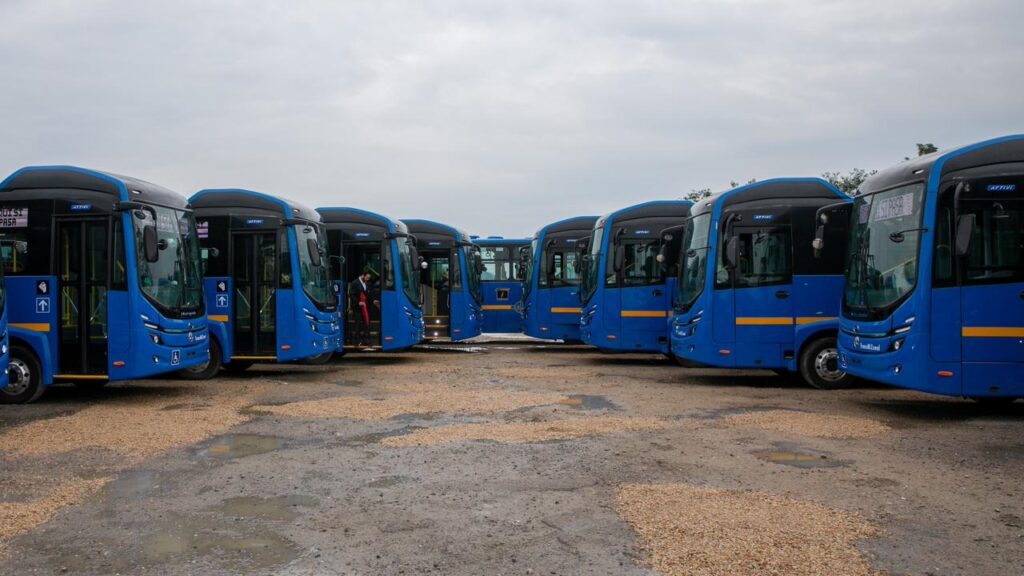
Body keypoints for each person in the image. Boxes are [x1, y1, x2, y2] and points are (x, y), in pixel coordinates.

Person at [349, 268, 373, 347]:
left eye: (368, 278)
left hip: (365, 307)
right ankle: (357, 341)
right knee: (358, 323)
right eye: (367, 277)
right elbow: (351, 294)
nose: (367, 279)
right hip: (357, 307)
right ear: (363, 275)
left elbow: (367, 294)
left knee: (366, 322)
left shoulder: (365, 283)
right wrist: (358, 302)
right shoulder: (355, 283)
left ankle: (366, 340)